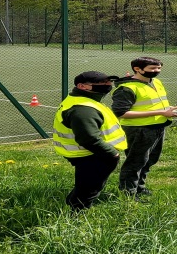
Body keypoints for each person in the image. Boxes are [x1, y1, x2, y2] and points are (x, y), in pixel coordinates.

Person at [112, 56, 177, 198]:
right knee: (135, 162)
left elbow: (156, 103)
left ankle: (139, 188)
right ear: (137, 69)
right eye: (153, 68)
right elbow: (121, 113)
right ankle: (128, 193)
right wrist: (162, 112)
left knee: (150, 160)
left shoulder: (156, 82)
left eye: (159, 68)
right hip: (139, 129)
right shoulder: (126, 88)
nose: (157, 71)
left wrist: (171, 109)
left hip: (158, 127)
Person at [52, 71, 127, 211]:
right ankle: (77, 216)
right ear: (82, 86)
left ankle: (72, 204)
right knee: (89, 189)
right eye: (102, 83)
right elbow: (88, 138)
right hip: (93, 155)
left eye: (109, 81)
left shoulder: (83, 100)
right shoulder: (83, 109)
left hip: (91, 154)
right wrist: (112, 153)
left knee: (85, 185)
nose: (108, 85)